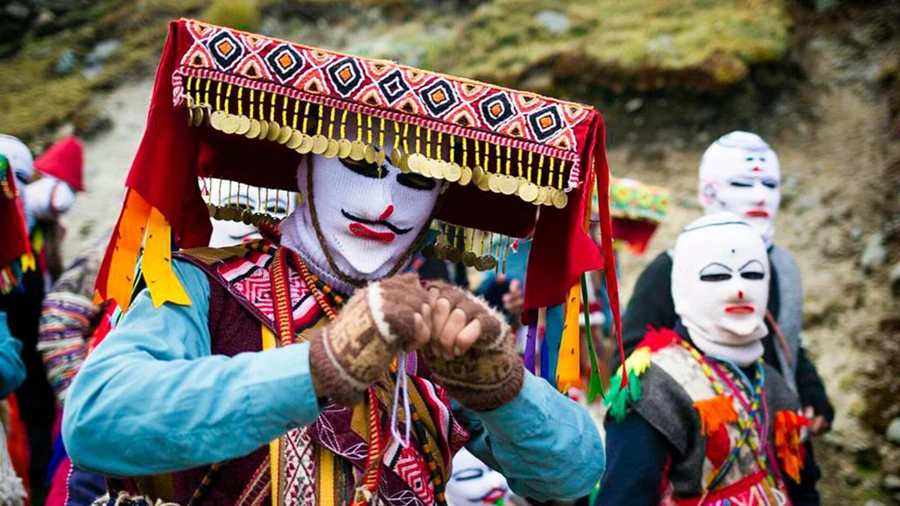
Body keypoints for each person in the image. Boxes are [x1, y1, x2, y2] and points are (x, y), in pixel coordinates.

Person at [63, 19, 619, 505]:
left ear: (440, 202)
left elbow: (572, 475)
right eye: (359, 162)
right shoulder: (202, 282)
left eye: (419, 179)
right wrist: (319, 364)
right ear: (304, 166)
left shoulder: (430, 329)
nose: (385, 204)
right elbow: (95, 422)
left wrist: (501, 388)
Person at [620, 131, 833, 437]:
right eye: (743, 184)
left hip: (780, 438)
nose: (760, 196)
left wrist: (810, 392)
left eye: (770, 184)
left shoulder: (784, 267)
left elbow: (784, 338)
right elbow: (632, 360)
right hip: (705, 443)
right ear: (708, 192)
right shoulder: (671, 267)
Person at [600, 214, 816, 505]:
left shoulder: (773, 384)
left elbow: (804, 487)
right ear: (682, 285)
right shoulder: (653, 387)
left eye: (752, 274)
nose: (740, 289)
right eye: (716, 275)